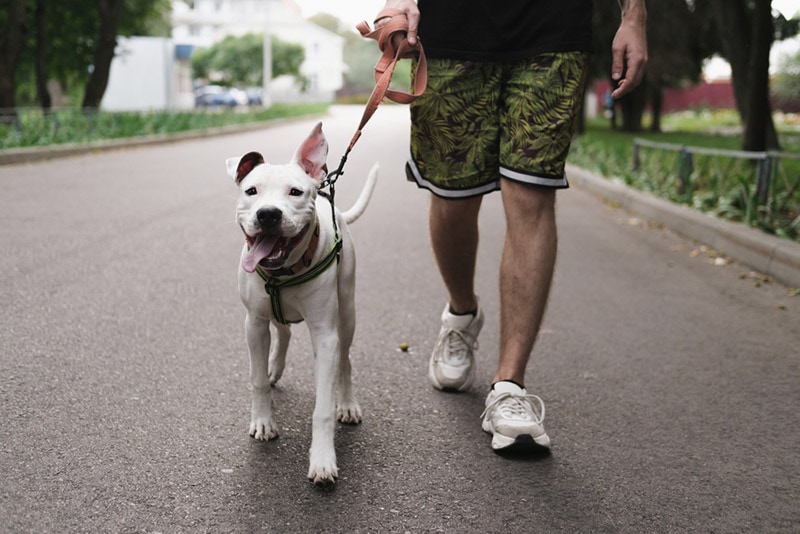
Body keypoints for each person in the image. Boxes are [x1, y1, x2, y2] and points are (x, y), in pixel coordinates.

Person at [376, 0, 648, 450]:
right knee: (453, 196)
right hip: (452, 28)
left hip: (554, 30)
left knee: (530, 194)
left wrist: (634, 16)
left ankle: (509, 387)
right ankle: (462, 314)